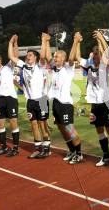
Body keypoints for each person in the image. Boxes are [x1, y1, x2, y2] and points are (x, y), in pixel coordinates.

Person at [73, 31, 109, 166]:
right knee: (99, 129)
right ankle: (106, 156)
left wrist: (100, 39)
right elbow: (77, 57)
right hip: (95, 103)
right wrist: (77, 42)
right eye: (94, 57)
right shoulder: (90, 64)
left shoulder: (107, 64)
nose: (95, 60)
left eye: (97, 57)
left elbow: (107, 52)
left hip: (107, 102)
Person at [42, 32, 84, 164]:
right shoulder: (54, 68)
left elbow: (72, 57)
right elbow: (47, 56)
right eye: (55, 56)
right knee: (61, 128)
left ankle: (79, 153)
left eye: (57, 57)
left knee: (69, 129)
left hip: (65, 104)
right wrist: (47, 42)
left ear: (63, 59)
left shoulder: (68, 68)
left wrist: (76, 41)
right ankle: (71, 150)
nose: (55, 58)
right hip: (55, 103)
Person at [8, 33, 52, 158]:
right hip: (30, 101)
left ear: (36, 58)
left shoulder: (41, 66)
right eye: (27, 55)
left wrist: (44, 41)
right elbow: (11, 56)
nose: (28, 57)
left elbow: (43, 55)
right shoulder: (23, 66)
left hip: (42, 100)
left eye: (30, 55)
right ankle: (38, 148)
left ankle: (46, 148)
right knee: (33, 125)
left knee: (43, 124)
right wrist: (11, 43)